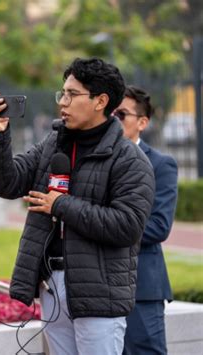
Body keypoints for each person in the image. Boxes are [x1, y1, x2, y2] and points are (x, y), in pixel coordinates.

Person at [0, 58, 155, 355]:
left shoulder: (129, 160)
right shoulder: (53, 143)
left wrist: (60, 205)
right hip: (51, 286)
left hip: (98, 293)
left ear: (100, 101)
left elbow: (126, 226)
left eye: (72, 95)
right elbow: (7, 183)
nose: (63, 102)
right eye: (62, 93)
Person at [115, 85, 178, 355]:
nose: (113, 119)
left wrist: (104, 229)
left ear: (142, 122)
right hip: (97, 288)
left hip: (142, 287)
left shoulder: (161, 164)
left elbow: (158, 226)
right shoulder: (91, 158)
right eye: (110, 113)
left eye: (121, 114)